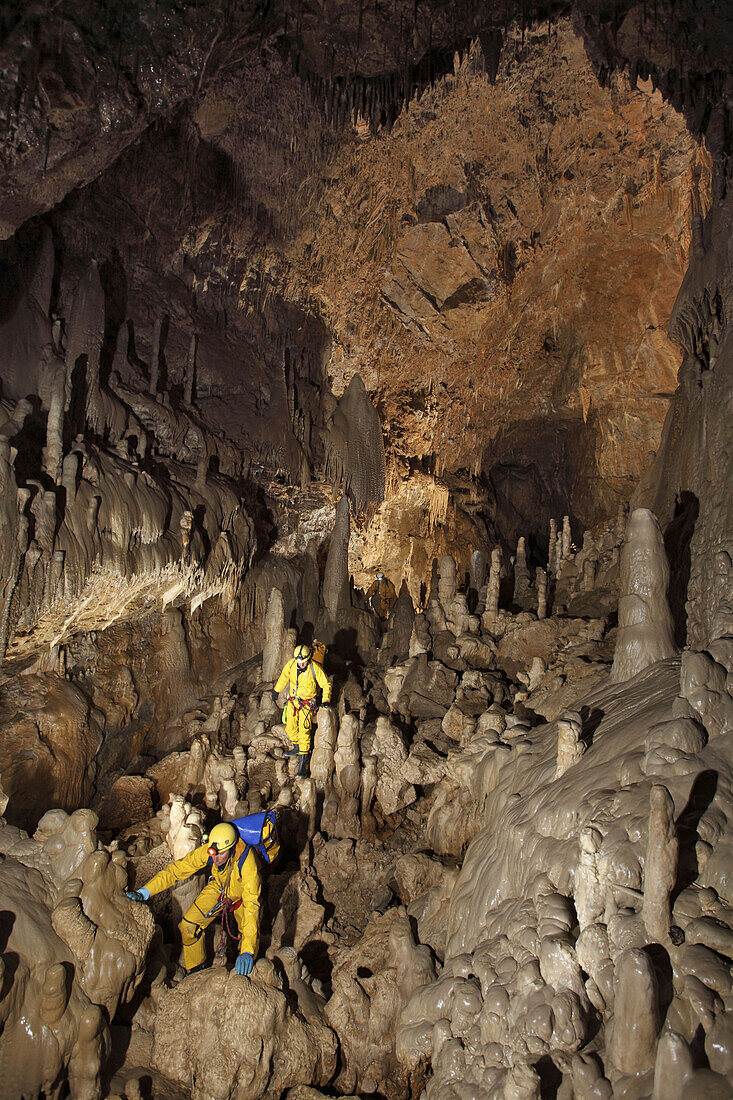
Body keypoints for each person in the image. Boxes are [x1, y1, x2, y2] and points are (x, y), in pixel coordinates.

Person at [125, 821, 259, 977]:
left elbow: (251, 905)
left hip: (242, 900)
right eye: (212, 853)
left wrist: (248, 950)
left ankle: (247, 975)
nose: (215, 858)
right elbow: (176, 870)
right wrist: (144, 892)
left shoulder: (248, 863)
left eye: (220, 854)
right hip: (220, 888)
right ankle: (196, 973)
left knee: (248, 942)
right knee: (189, 926)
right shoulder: (211, 852)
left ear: (232, 848)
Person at [272, 643, 332, 776]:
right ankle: (297, 747)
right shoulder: (292, 664)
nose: (301, 665)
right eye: (300, 662)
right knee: (290, 727)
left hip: (307, 704)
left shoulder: (315, 668)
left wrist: (325, 699)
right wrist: (277, 690)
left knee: (304, 732)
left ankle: (302, 765)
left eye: (304, 662)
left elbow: (326, 684)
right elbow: (284, 676)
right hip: (293, 702)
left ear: (308, 659)